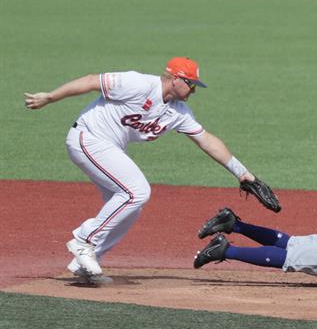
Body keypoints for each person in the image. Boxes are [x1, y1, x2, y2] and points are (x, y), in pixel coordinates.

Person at [24, 57, 261, 284]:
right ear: (175, 79)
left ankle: (85, 263)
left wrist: (242, 172)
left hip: (109, 148)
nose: (194, 90)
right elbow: (90, 80)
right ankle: (84, 241)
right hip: (88, 138)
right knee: (136, 192)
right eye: (191, 84)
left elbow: (206, 140)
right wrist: (50, 97)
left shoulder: (178, 112)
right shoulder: (138, 83)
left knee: (131, 208)